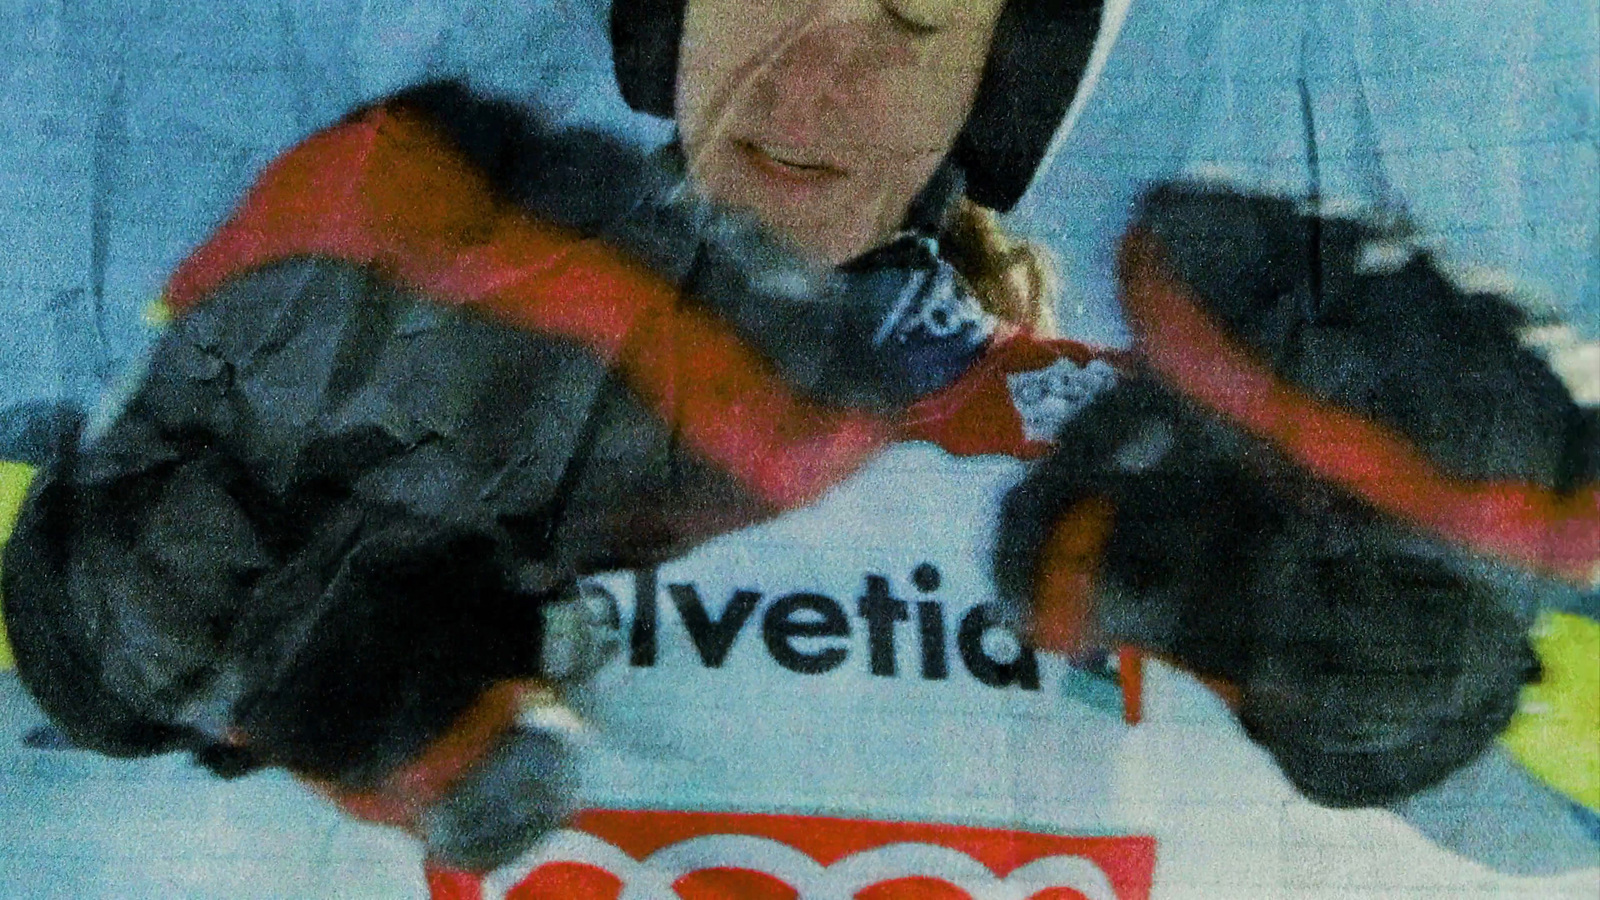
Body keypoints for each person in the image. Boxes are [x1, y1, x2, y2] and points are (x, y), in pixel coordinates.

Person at [2, 1, 1595, 898]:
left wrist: (1464, 675)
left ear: (999, 74)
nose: (820, 79)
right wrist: (115, 592)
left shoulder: (1183, 486)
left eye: (912, 13)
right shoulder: (368, 368)